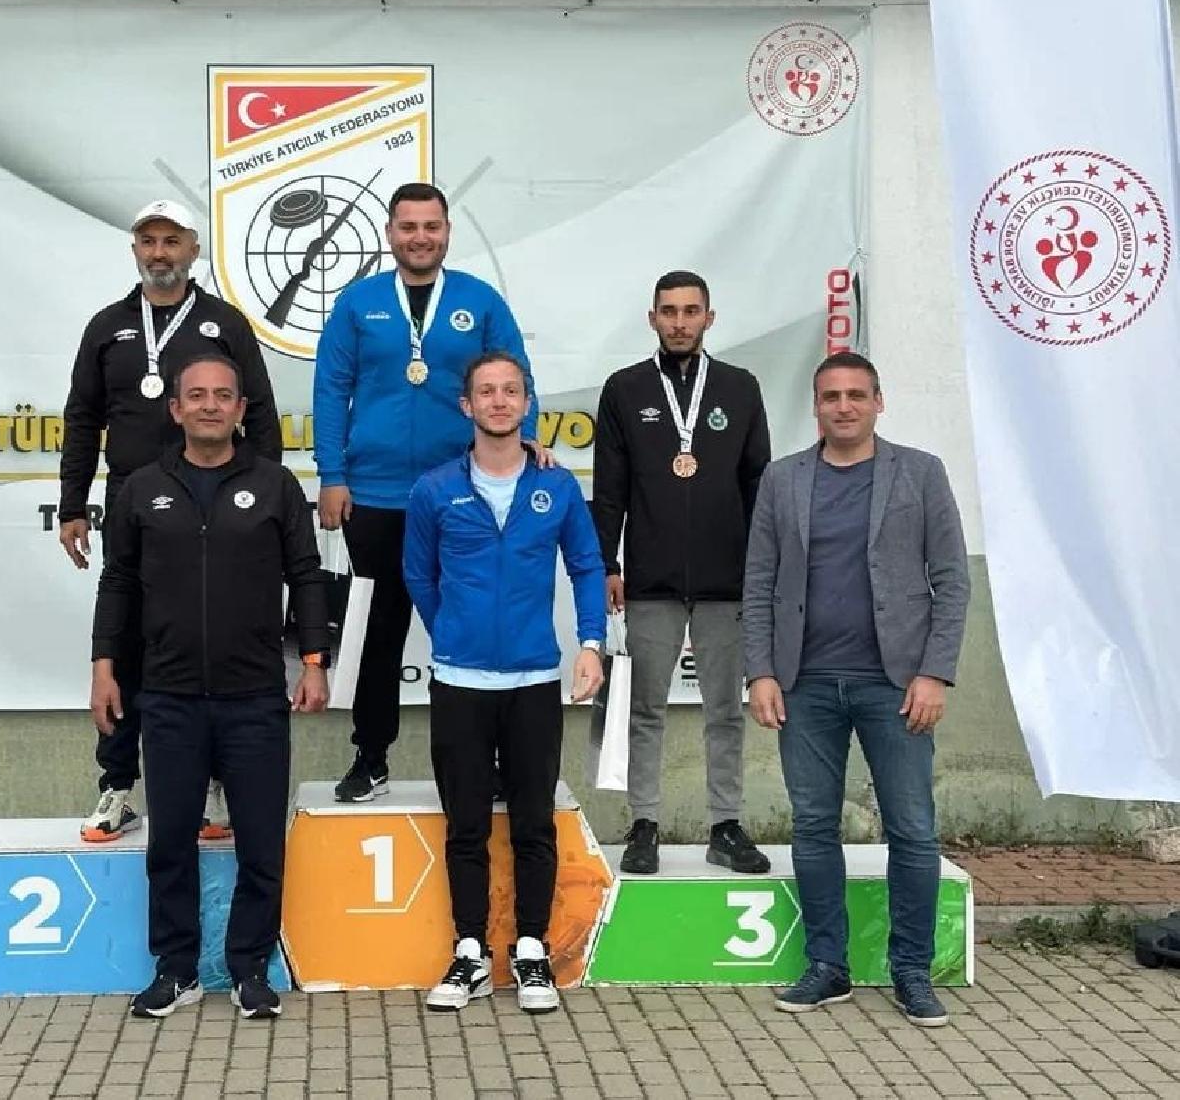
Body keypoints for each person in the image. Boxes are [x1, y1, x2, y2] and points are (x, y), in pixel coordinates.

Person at [91, 353, 328, 1020]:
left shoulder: (275, 485)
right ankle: (176, 970)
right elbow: (117, 582)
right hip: (167, 696)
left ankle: (250, 968)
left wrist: (313, 660)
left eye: (223, 395)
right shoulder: (142, 488)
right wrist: (104, 665)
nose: (210, 406)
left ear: (241, 409)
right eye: (196, 396)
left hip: (254, 697)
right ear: (175, 409)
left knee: (260, 842)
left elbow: (306, 575)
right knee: (170, 843)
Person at [742, 351, 969, 1027]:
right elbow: (759, 582)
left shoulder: (920, 473)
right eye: (831, 396)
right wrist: (760, 671)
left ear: (878, 401)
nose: (843, 406)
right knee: (814, 827)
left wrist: (935, 672)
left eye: (856, 395)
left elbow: (952, 579)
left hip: (896, 685)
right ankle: (827, 966)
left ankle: (911, 970)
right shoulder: (783, 479)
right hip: (805, 683)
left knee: (913, 829)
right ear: (815, 406)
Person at [313, 181, 546, 804]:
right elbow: (331, 389)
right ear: (391, 233)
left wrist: (523, 442)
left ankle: (484, 762)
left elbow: (516, 377)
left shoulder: (479, 300)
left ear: (447, 233)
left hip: (462, 493)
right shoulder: (358, 303)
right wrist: (332, 474)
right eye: (409, 226)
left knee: (471, 628)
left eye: (432, 227)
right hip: (375, 495)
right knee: (378, 633)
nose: (421, 238)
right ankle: (370, 756)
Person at [62, 199, 282, 842]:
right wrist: (73, 504)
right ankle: (117, 785)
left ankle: (213, 786)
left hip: (215, 504)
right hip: (135, 504)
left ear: (193, 249)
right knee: (128, 639)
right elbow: (82, 418)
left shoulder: (224, 323)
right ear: (135, 249)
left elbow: (260, 412)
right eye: (148, 241)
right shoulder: (108, 327)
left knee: (211, 635)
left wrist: (263, 497)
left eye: (172, 241)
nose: (160, 252)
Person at [403, 351, 606, 1015]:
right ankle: (468, 951)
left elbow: (586, 566)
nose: (498, 401)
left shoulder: (557, 485)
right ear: (467, 405)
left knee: (532, 825)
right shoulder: (434, 489)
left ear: (526, 402)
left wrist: (591, 645)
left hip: (534, 680)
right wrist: (452, 629)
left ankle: (531, 950)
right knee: (465, 825)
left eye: (510, 391)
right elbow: (419, 574)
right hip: (459, 682)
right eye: (486, 391)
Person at [590, 270, 772, 875]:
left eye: (691, 311)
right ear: (652, 318)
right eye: (668, 312)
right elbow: (609, 489)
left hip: (727, 581)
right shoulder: (624, 389)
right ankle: (644, 825)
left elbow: (759, 485)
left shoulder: (740, 388)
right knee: (645, 710)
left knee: (725, 710)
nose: (679, 322)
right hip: (651, 583)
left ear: (708, 318)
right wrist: (607, 563)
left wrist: (760, 571)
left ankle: (726, 826)